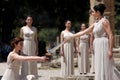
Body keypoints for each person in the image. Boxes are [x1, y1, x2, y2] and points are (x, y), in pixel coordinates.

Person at [66, 3, 120, 80]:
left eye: (93, 12)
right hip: (97, 45)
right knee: (98, 64)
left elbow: (111, 35)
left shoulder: (104, 21)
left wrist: (110, 50)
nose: (92, 13)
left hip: (103, 44)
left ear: (98, 12)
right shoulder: (96, 23)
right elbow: (83, 32)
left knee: (106, 64)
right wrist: (71, 36)